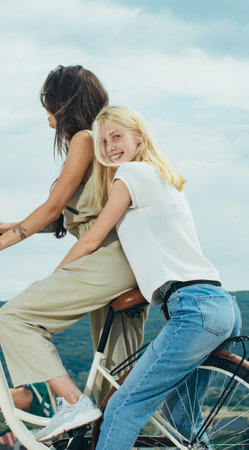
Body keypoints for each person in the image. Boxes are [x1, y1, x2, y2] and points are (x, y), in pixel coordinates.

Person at [0, 67, 147, 438]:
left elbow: (52, 207)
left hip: (111, 259)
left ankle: (70, 401)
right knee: (114, 383)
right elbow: (69, 215)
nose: (46, 117)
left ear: (63, 104)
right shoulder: (97, 142)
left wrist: (1, 243)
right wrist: (11, 224)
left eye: (48, 106)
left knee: (15, 317)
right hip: (131, 260)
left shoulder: (83, 138)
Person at [50, 105, 242, 448]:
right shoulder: (164, 178)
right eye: (104, 142)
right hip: (221, 307)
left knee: (123, 409)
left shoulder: (132, 175)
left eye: (117, 136)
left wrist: (52, 283)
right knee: (183, 421)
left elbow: (93, 238)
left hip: (193, 311)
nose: (110, 147)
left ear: (139, 136)